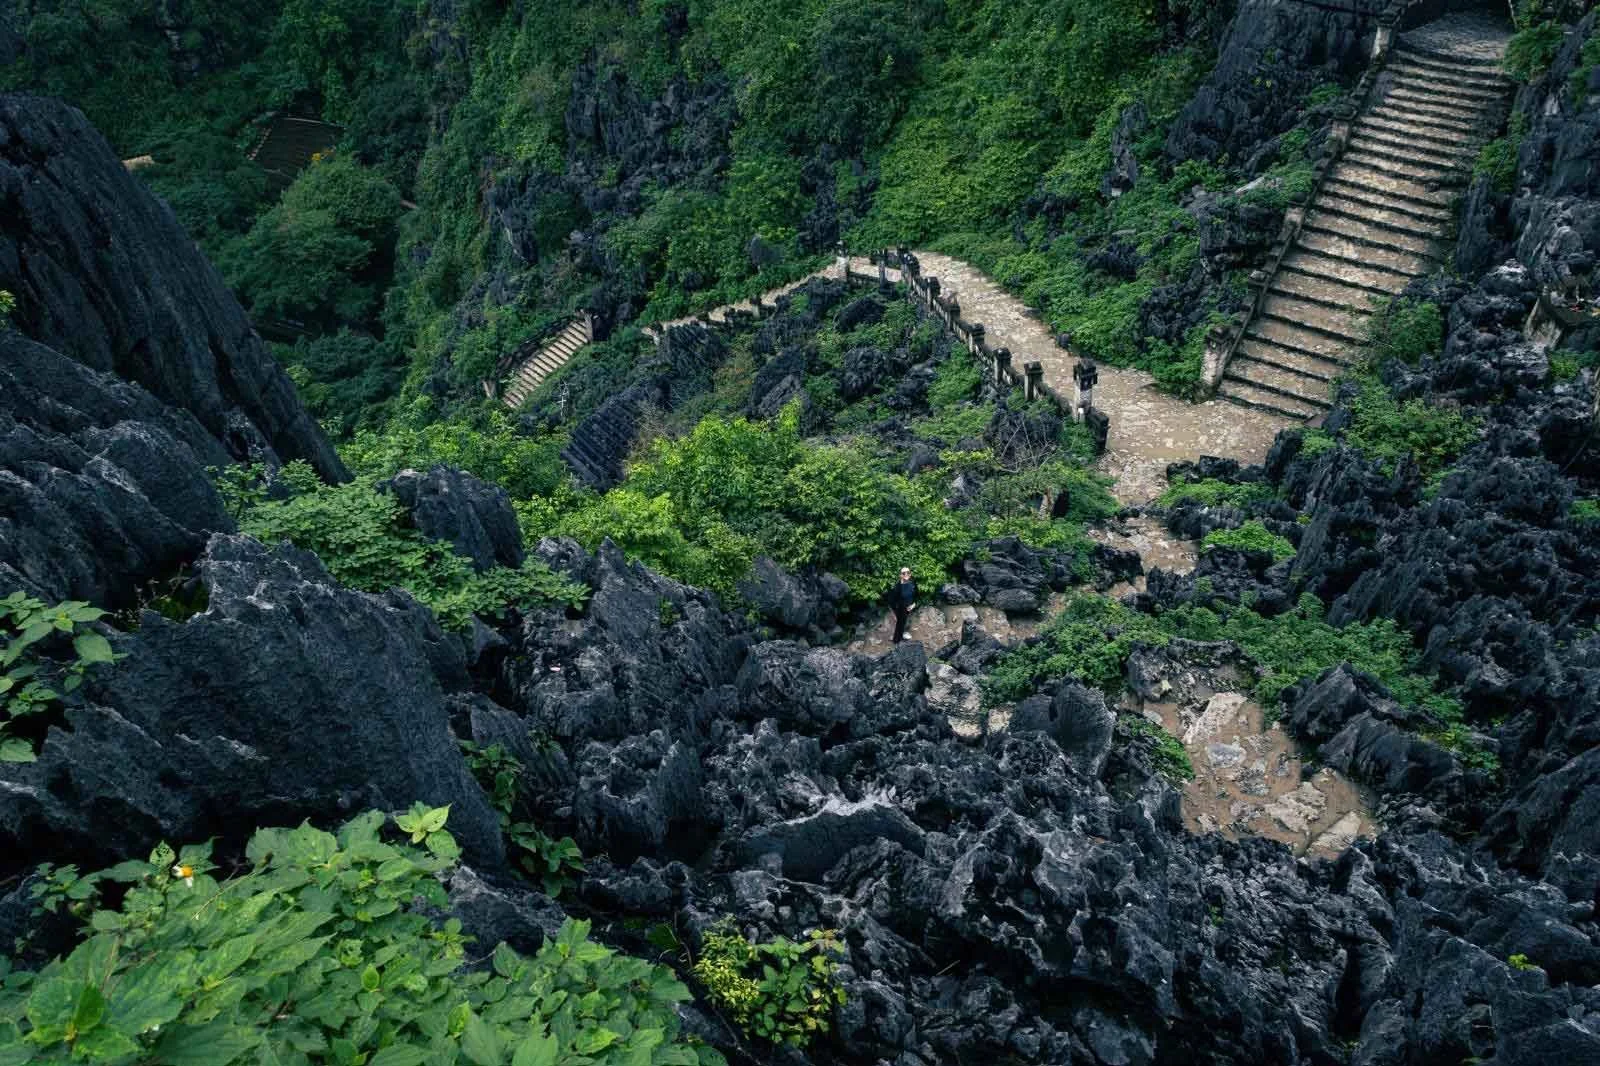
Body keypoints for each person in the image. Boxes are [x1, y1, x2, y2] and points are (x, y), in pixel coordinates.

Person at [889, 566, 917, 643]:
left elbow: (916, 594)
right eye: (903, 573)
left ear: (910, 574)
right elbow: (892, 601)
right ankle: (897, 641)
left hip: (910, 607)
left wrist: (913, 604)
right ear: (900, 575)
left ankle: (902, 634)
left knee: (904, 622)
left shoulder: (912, 583)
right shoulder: (897, 587)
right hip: (901, 608)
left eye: (908, 572)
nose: (906, 574)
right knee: (900, 624)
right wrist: (896, 611)